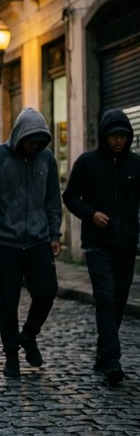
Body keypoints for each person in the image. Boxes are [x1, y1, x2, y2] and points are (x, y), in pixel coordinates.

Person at [0, 107, 62, 378]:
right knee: (8, 302)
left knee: (47, 292)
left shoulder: (46, 159)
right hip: (5, 243)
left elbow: (52, 199)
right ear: (19, 135)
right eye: (31, 140)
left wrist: (54, 234)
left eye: (40, 141)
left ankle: (29, 335)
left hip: (38, 241)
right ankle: (11, 355)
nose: (35, 145)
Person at [62, 109, 140, 384]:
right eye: (113, 136)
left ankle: (103, 354)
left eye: (122, 136)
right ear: (104, 136)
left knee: (117, 302)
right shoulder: (87, 163)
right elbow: (70, 196)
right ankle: (113, 361)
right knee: (105, 298)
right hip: (97, 244)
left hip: (127, 245)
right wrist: (91, 214)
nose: (118, 141)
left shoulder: (136, 165)